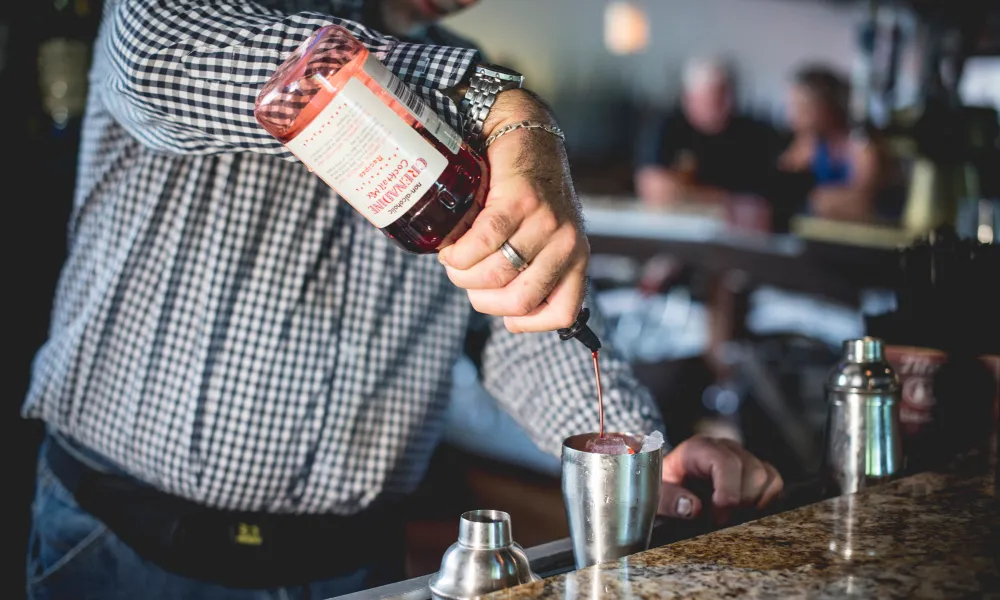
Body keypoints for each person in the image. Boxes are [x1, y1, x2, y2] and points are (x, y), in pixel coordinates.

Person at [23, 1, 783, 598]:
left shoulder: (472, 85)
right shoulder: (461, 87)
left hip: (353, 564)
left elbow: (518, 322)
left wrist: (641, 459)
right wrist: (501, 105)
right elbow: (153, 61)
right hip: (119, 542)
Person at [635, 56, 781, 211]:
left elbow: (759, 199)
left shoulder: (754, 133)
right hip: (678, 223)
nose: (726, 104)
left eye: (727, 94)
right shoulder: (666, 126)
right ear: (689, 98)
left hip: (734, 229)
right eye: (714, 97)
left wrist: (689, 192)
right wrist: (720, 198)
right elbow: (655, 187)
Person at [777, 64, 890, 222]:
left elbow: (865, 203)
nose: (793, 116)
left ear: (827, 106)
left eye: (802, 107)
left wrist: (822, 200)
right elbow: (779, 187)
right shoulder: (808, 142)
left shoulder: (861, 146)